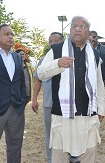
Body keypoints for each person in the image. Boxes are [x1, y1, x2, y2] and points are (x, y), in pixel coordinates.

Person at [37, 16, 105, 163]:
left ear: (88, 32)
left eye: (82, 27)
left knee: (89, 152)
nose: (78, 29)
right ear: (70, 29)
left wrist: (101, 109)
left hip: (88, 112)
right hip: (62, 113)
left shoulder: (95, 54)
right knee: (59, 154)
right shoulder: (56, 50)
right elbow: (40, 73)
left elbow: (99, 84)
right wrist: (57, 63)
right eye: (75, 26)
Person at [0, 24, 27, 163]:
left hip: (16, 109)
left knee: (15, 145)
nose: (10, 37)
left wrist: (22, 101)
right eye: (6, 34)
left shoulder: (17, 57)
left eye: (12, 34)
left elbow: (21, 81)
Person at [32, 32, 64, 163]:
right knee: (50, 134)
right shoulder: (44, 60)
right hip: (48, 103)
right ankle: (51, 159)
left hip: (65, 104)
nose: (53, 44)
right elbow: (38, 80)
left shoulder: (67, 59)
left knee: (64, 133)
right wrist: (34, 99)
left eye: (56, 41)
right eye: (51, 41)